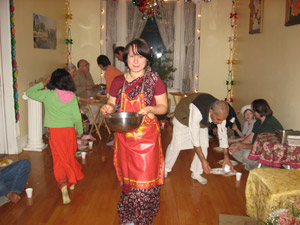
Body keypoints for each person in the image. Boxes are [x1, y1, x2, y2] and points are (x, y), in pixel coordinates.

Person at [101, 38, 167, 224]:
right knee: (128, 182)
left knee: (145, 183)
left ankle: (141, 219)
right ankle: (129, 217)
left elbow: (163, 107)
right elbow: (111, 103)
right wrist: (107, 108)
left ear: (147, 59)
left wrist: (150, 109)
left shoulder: (154, 80)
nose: (136, 60)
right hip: (124, 137)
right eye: (131, 56)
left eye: (140, 56)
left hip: (147, 139)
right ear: (125, 58)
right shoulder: (118, 81)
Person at [26, 69, 84, 204]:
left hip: (55, 133)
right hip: (69, 131)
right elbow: (77, 116)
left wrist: (42, 83)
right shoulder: (72, 96)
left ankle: (63, 187)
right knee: (69, 155)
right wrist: (80, 131)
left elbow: (30, 93)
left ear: (53, 81)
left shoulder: (48, 95)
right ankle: (72, 180)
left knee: (59, 158)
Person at [164, 93, 234, 185]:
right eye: (218, 120)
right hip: (183, 117)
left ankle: (196, 173)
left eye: (222, 120)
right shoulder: (198, 109)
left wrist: (226, 156)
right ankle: (165, 169)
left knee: (204, 145)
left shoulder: (221, 112)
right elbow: (195, 138)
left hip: (201, 122)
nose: (220, 122)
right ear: (211, 111)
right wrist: (203, 161)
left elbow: (223, 133)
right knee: (176, 145)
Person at [229, 99, 283, 170]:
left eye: (253, 111)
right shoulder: (258, 122)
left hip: (268, 152)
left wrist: (243, 146)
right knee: (234, 148)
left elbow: (262, 146)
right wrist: (239, 145)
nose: (253, 113)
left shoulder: (269, 123)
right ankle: (250, 165)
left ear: (258, 112)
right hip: (256, 147)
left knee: (246, 155)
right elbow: (250, 137)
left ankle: (263, 168)